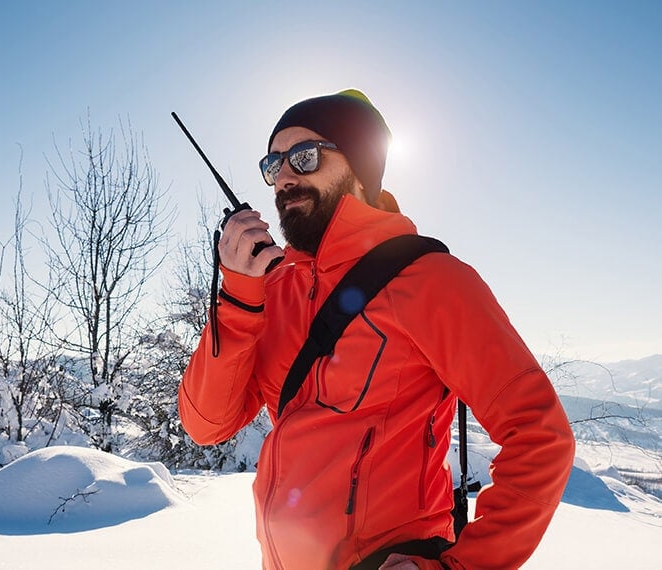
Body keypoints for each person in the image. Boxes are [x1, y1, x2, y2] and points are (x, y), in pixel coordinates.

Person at [178, 89, 575, 569]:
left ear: (360, 169)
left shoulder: (431, 281)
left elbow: (540, 435)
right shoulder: (273, 290)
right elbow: (207, 424)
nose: (282, 176)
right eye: (273, 163)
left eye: (304, 157)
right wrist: (239, 298)